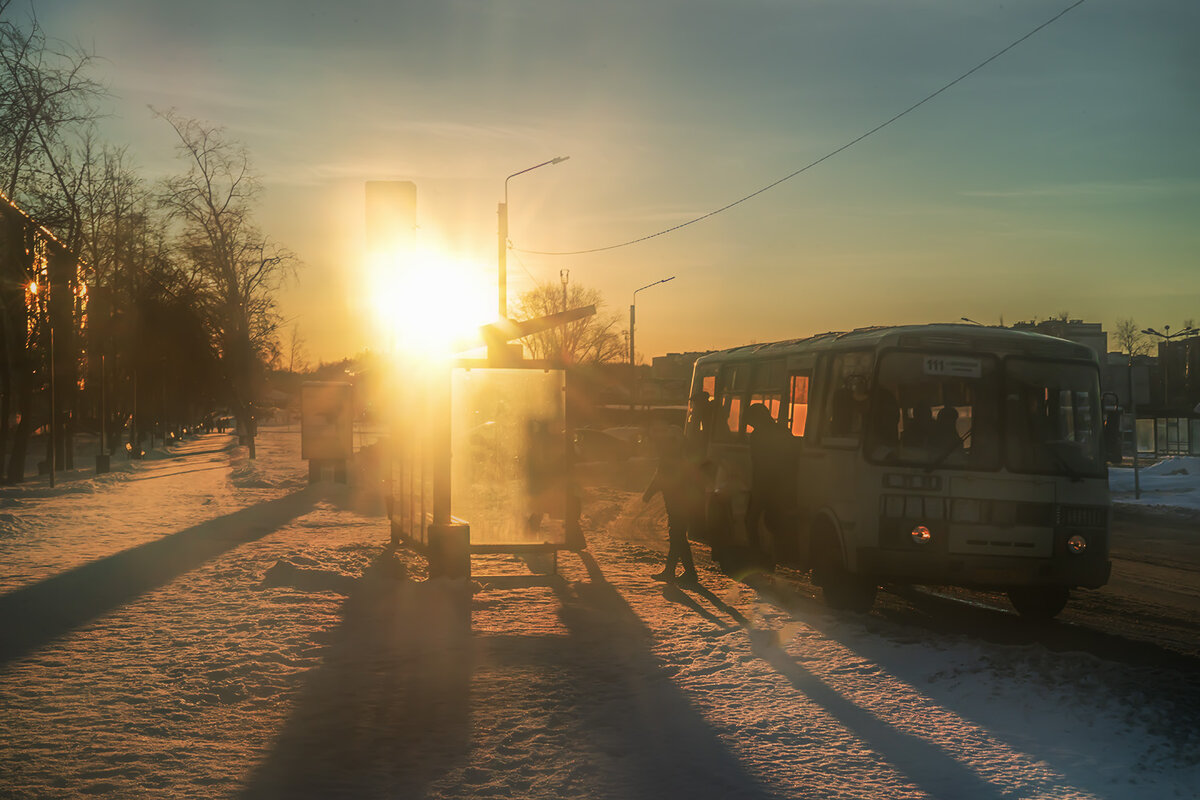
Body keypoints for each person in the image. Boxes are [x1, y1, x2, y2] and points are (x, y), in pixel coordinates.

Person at [642, 429, 703, 585]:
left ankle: (686, 573)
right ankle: (679, 572)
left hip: (677, 506)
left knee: (678, 539)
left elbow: (660, 480)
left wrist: (648, 494)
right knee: (678, 539)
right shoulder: (680, 459)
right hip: (682, 505)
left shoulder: (669, 460)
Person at [743, 402, 797, 570]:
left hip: (763, 485)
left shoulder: (757, 435)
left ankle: (758, 557)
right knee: (775, 522)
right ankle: (778, 556)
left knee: (750, 521)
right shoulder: (784, 432)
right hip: (783, 485)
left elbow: (758, 462)